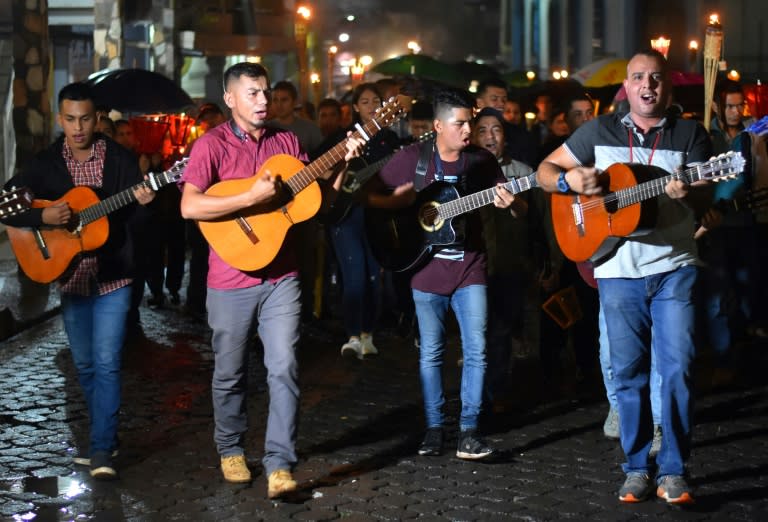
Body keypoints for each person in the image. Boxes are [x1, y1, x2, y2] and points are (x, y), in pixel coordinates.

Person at [179, 62, 364, 497]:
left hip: (282, 275)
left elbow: (315, 202)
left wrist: (340, 164)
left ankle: (280, 462)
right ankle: (230, 448)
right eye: (252, 93)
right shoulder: (212, 145)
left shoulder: (287, 142)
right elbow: (190, 207)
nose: (263, 101)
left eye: (265, 92)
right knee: (229, 372)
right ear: (230, 99)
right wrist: (250, 197)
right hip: (230, 277)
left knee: (284, 367)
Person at [537, 49, 712, 504]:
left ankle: (673, 470)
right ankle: (636, 467)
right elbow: (545, 170)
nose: (647, 86)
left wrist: (688, 194)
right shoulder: (600, 130)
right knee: (628, 374)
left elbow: (706, 197)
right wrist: (569, 183)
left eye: (655, 78)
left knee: (677, 369)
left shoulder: (692, 134)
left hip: (674, 267)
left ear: (667, 86)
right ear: (627, 88)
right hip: (617, 270)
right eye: (638, 78)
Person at [1, 82, 155, 479]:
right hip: (70, 278)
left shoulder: (120, 160)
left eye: (85, 118)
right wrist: (43, 218)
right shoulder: (46, 163)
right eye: (70, 119)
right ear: (60, 119)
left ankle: (101, 447)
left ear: (97, 118)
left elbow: (136, 226)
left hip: (113, 277)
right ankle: (105, 434)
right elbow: (7, 205)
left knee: (106, 361)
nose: (78, 127)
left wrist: (142, 206)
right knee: (84, 365)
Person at [367, 88, 516, 460]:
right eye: (460, 123)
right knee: (432, 353)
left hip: (470, 268)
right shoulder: (412, 159)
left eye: (471, 122)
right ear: (438, 125)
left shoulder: (480, 161)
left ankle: (469, 430)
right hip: (424, 270)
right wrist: (395, 204)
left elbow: (515, 206)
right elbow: (367, 196)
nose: (469, 130)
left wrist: (513, 205)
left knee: (476, 349)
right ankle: (434, 429)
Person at [470, 107, 545, 412]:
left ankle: (496, 392)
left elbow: (536, 219)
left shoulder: (524, 172)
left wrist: (516, 205)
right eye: (483, 130)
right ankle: (475, 395)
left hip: (510, 264)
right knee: (477, 332)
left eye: (496, 130)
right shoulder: (464, 170)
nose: (490, 136)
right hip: (474, 264)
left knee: (502, 328)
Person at [324, 83, 401, 358]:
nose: (371, 106)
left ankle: (368, 335)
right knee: (353, 276)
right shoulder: (340, 138)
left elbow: (399, 178)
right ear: (355, 107)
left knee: (374, 277)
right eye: (365, 102)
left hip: (377, 213)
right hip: (345, 214)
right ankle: (352, 336)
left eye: (376, 101)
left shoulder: (390, 140)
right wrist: (344, 165)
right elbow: (319, 171)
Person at [475, 78, 535, 167]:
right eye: (494, 99)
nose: (501, 104)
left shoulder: (520, 135)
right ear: (479, 102)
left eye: (504, 99)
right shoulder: (468, 129)